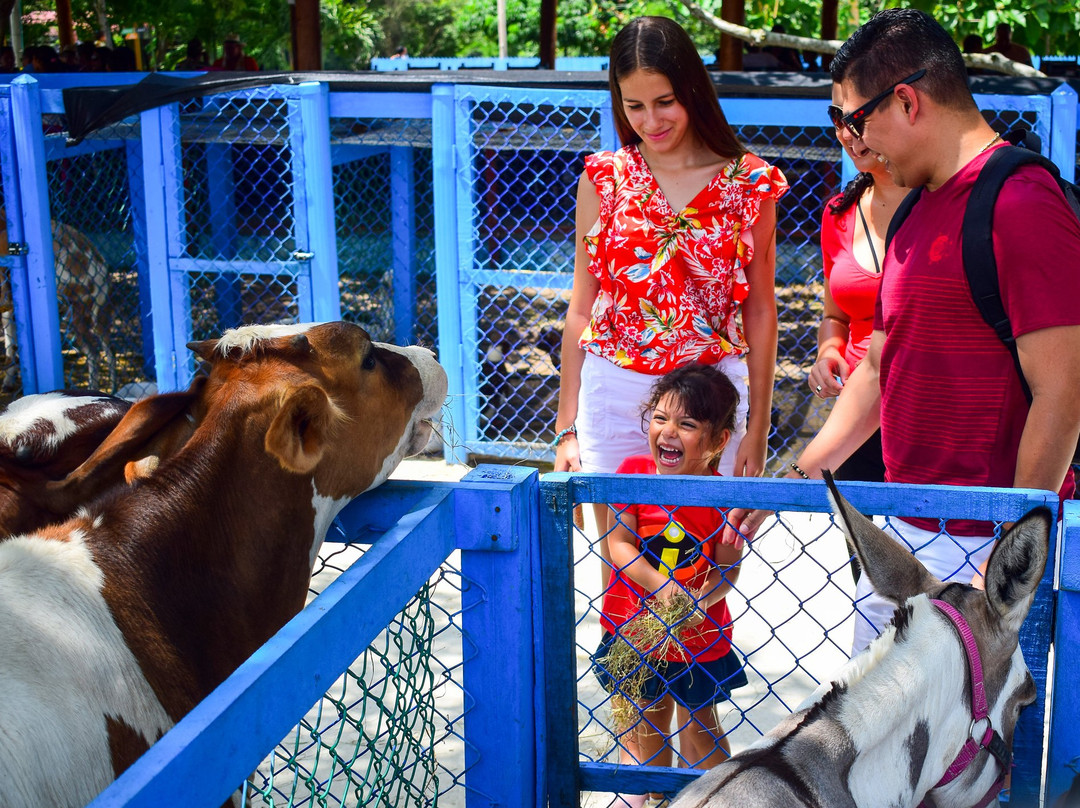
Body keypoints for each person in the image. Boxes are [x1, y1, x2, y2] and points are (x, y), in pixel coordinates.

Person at [734, 8, 1080, 653]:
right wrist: (797, 480)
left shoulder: (1022, 201)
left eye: (856, 121)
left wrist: (1009, 553)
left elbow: (1063, 392)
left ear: (906, 101)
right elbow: (877, 366)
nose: (855, 143)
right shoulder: (916, 206)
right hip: (902, 525)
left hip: (983, 541)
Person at [553, 16, 788, 570]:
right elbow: (582, 309)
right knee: (622, 569)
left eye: (665, 102)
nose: (650, 121)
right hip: (614, 394)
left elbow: (761, 311)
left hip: (710, 402)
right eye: (634, 105)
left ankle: (698, 638)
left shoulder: (749, 183)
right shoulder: (604, 179)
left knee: (711, 566)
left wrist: (758, 427)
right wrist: (566, 430)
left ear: (692, 90)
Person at [592, 364, 747, 804]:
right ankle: (658, 796)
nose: (668, 431)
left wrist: (701, 600)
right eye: (660, 418)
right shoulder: (633, 474)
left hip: (698, 637)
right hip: (635, 631)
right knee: (647, 724)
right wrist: (661, 585)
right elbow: (619, 544)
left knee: (700, 726)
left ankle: (718, 797)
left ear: (718, 441)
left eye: (687, 424)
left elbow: (727, 569)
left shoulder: (725, 497)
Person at [811, 83, 908, 484]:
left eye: (858, 117)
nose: (847, 132)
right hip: (856, 414)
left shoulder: (942, 203)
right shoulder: (839, 212)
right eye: (838, 118)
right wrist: (828, 352)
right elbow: (835, 316)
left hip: (925, 413)